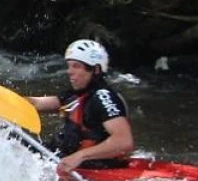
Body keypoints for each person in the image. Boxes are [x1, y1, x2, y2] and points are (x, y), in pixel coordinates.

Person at [27, 39, 134, 173]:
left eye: (76, 66)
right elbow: (37, 104)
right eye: (69, 66)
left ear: (95, 70)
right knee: (11, 139)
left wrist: (79, 157)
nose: (69, 72)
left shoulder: (103, 97)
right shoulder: (77, 95)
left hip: (90, 167)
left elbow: (124, 142)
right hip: (58, 156)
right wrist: (3, 99)